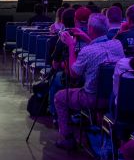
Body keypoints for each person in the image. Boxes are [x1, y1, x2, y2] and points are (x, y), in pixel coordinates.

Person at [53, 14, 125, 150]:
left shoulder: (87, 51)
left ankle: (67, 138)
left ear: (90, 29)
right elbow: (101, 48)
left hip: (92, 98)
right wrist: (87, 38)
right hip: (114, 97)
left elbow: (74, 73)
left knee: (60, 97)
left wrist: (70, 46)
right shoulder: (117, 44)